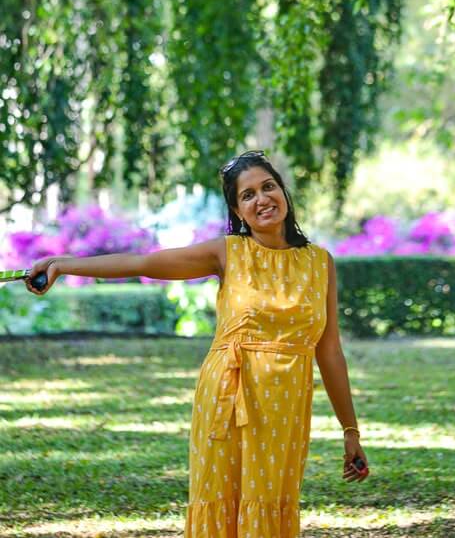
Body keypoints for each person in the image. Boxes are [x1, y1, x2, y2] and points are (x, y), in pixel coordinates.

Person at [26, 150, 369, 537]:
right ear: (238, 211)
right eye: (248, 195)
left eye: (268, 187)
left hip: (286, 406)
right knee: (221, 500)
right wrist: (65, 263)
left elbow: (330, 351)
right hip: (229, 395)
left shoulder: (320, 263)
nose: (262, 199)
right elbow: (143, 263)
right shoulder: (228, 253)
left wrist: (350, 431)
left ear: (284, 193)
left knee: (272, 503)